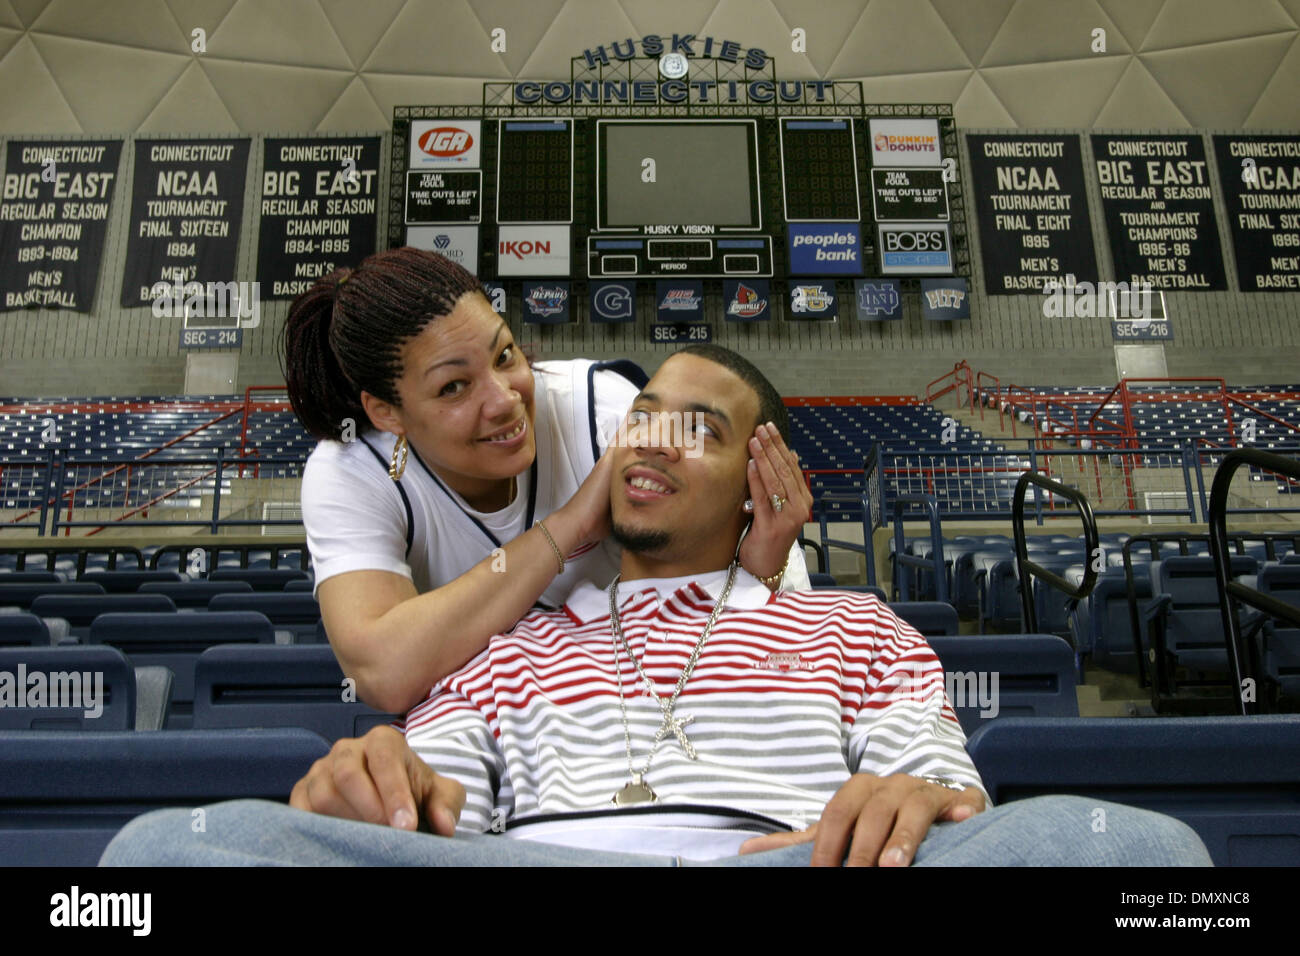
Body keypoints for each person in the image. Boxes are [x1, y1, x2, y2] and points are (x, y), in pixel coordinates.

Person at [102, 345, 1211, 867]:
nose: (650, 436)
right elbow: (443, 807)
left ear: (758, 475)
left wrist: (911, 797)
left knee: (1141, 859)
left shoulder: (851, 626)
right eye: (641, 415)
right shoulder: (507, 642)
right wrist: (383, 785)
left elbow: (941, 784)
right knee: (160, 857)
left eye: (699, 427)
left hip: (787, 866)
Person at [281, 248, 810, 713]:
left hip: (655, 699)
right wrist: (568, 527)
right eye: (454, 387)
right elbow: (381, 673)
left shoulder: (604, 412)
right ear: (385, 413)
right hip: (496, 723)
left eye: (505, 355)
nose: (506, 399)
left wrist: (761, 573)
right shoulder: (353, 471)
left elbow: (772, 631)